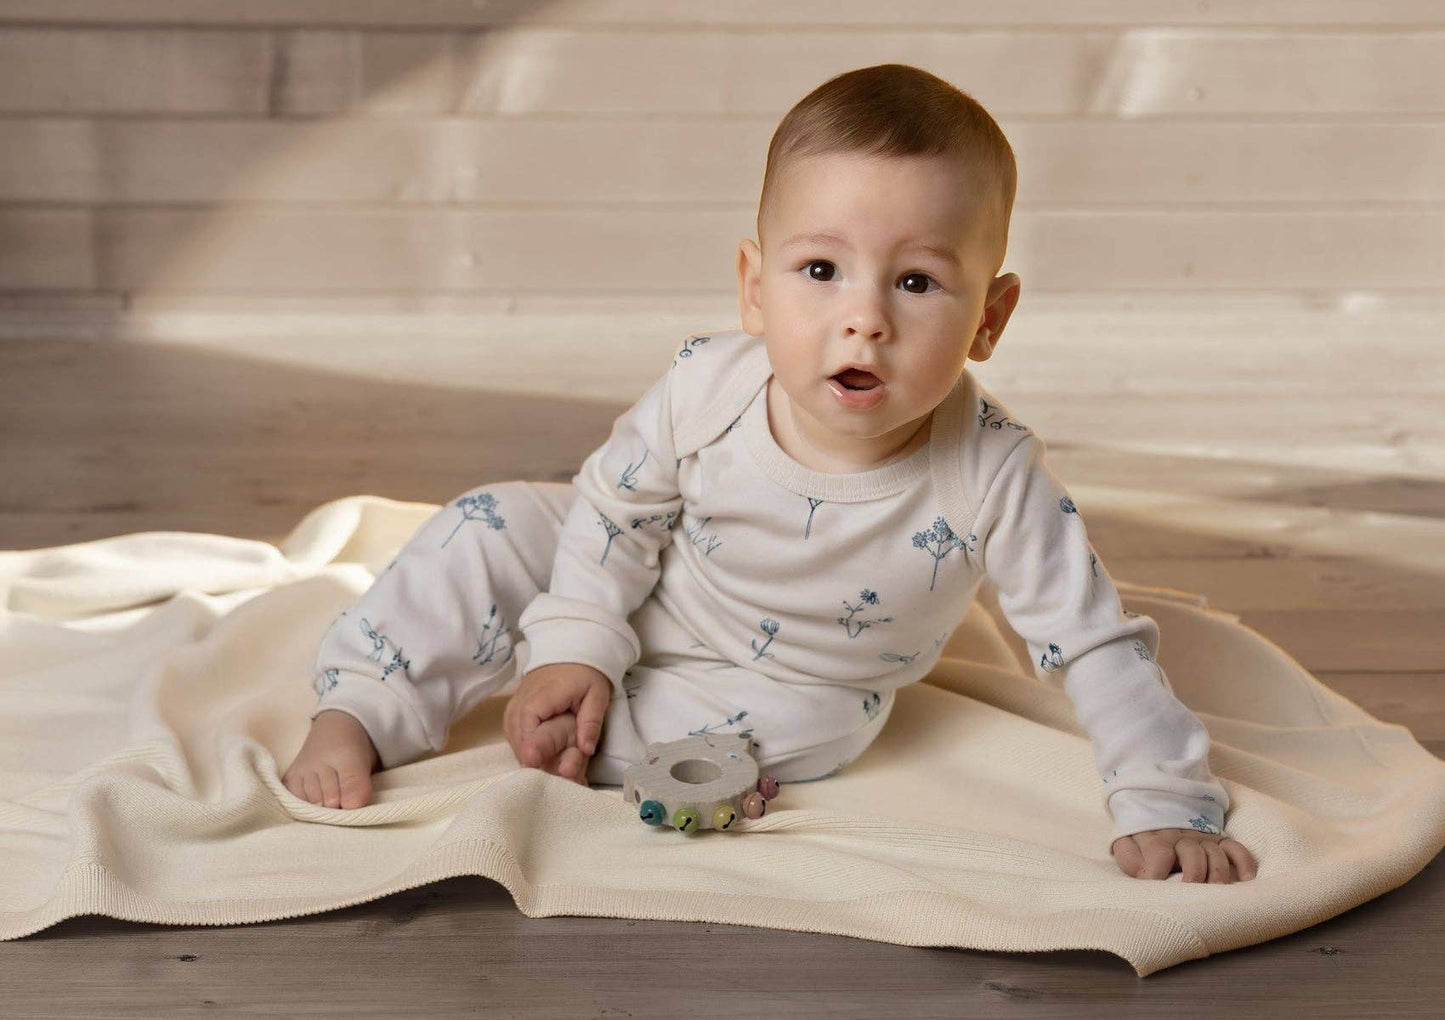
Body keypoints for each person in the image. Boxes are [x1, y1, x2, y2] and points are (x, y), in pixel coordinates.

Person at [282, 63, 1258, 884]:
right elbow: (618, 510)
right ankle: (364, 706)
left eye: (915, 281)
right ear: (755, 287)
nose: (863, 318)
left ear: (989, 320)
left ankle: (622, 747)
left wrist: (1166, 801)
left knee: (677, 742)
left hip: (799, 678)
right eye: (820, 271)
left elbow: (1091, 642)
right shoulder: (706, 383)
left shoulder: (991, 474)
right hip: (659, 577)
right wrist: (574, 639)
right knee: (495, 521)